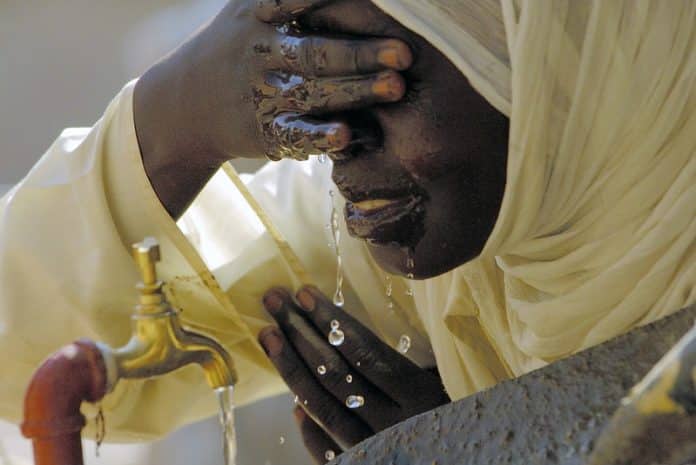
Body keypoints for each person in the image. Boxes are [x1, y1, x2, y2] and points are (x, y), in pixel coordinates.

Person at [0, 0, 693, 462]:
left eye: (373, 79)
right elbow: (20, 349)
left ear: (552, 68)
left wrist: (483, 441)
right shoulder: (456, 248)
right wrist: (173, 120)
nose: (333, 139)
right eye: (300, 80)